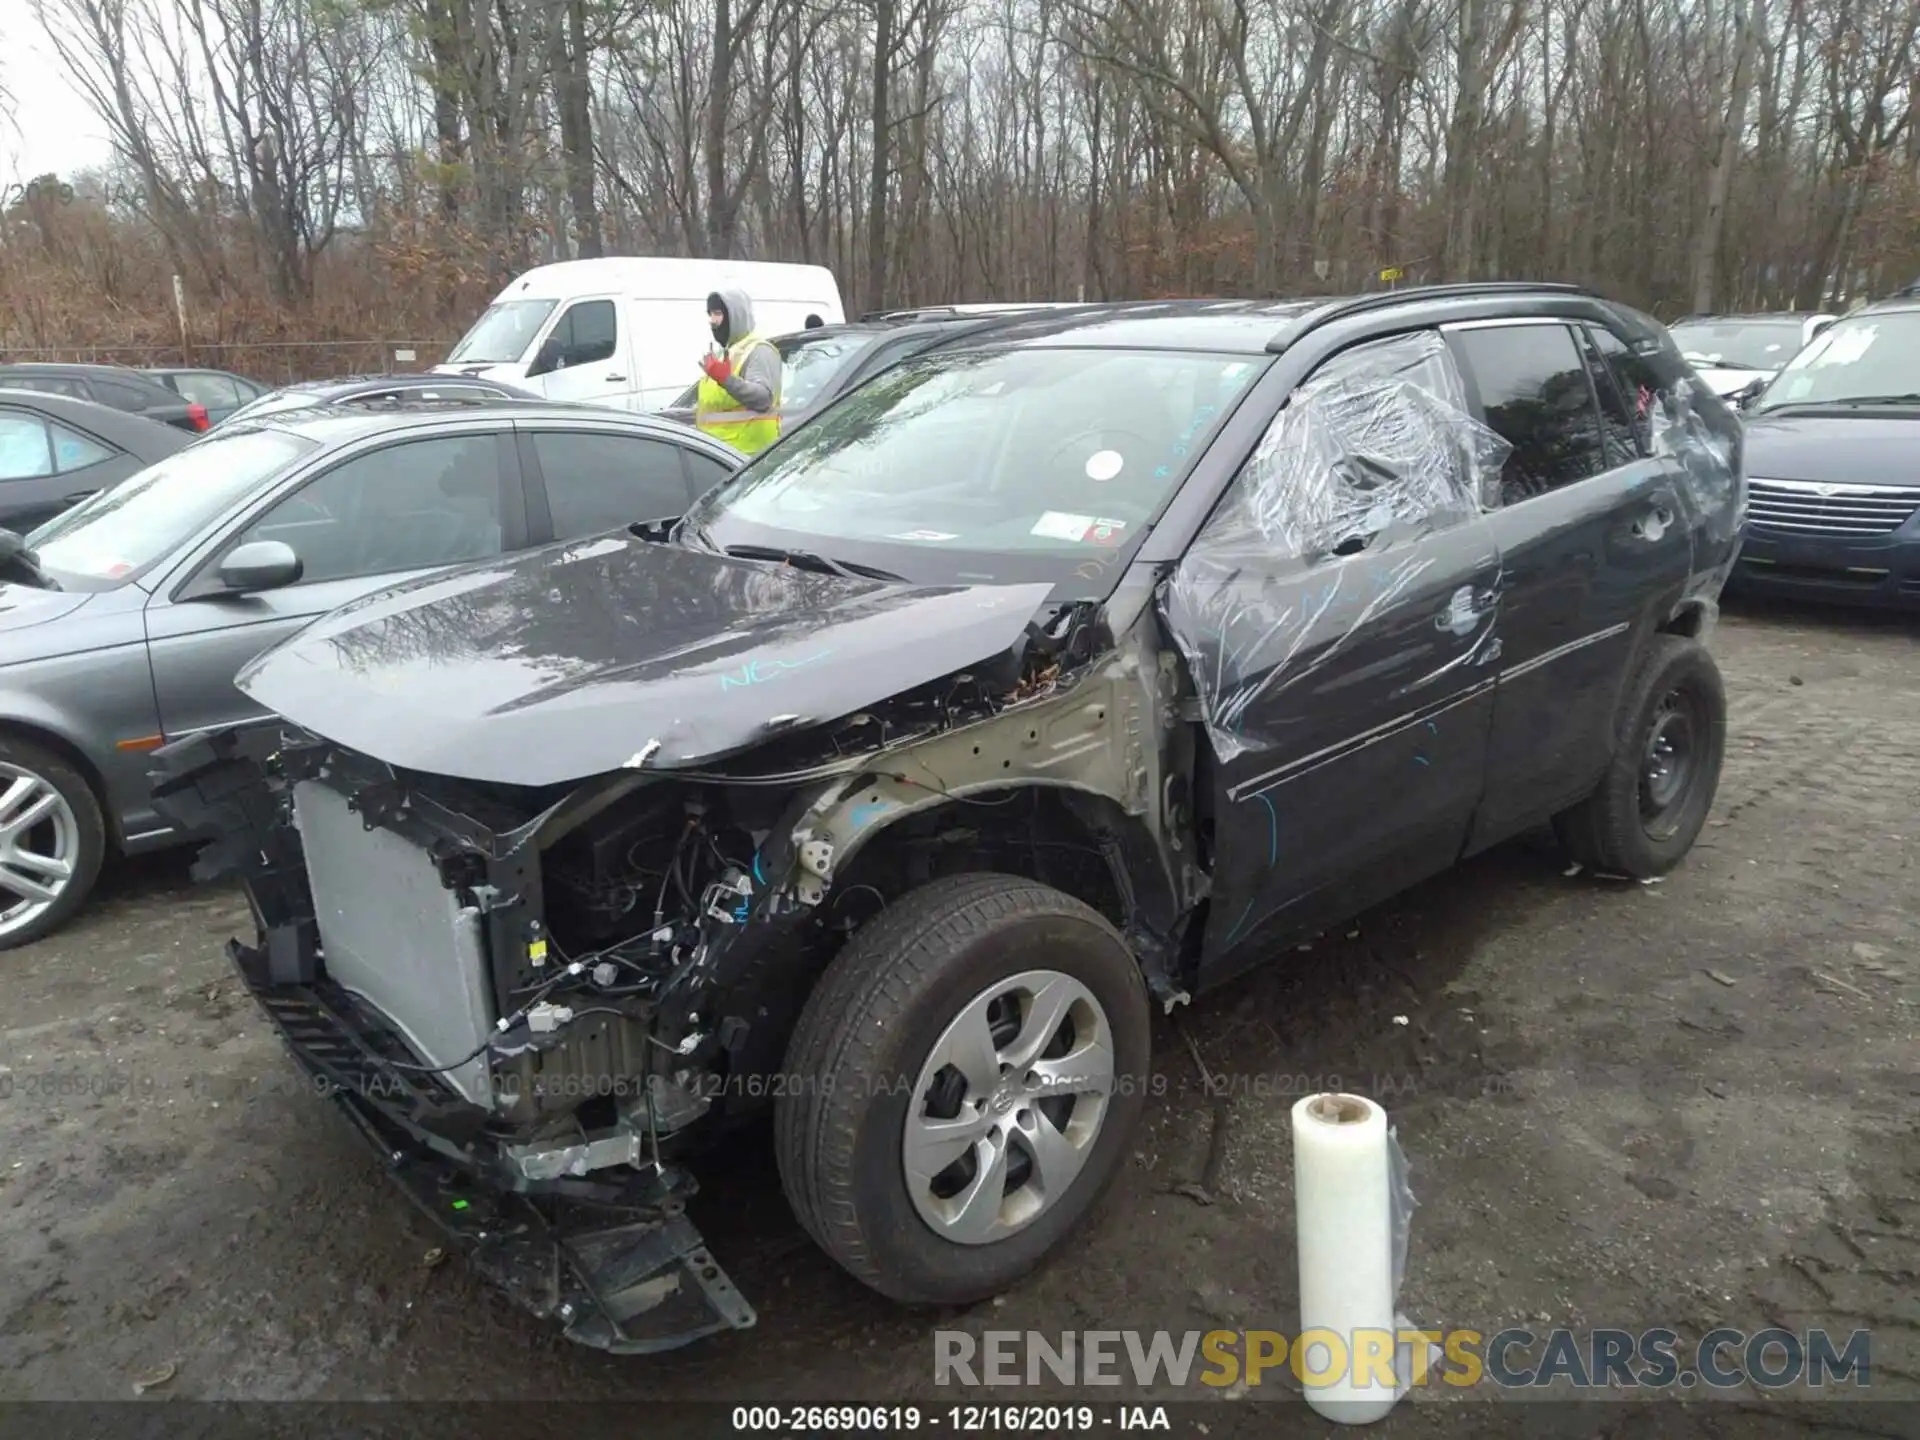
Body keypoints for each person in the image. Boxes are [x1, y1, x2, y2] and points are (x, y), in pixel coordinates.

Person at [695, 289, 783, 455]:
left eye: (718, 313)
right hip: (717, 456)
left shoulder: (759, 351)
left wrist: (726, 379)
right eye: (710, 314)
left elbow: (763, 398)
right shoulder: (726, 352)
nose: (712, 321)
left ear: (736, 316)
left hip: (747, 459)